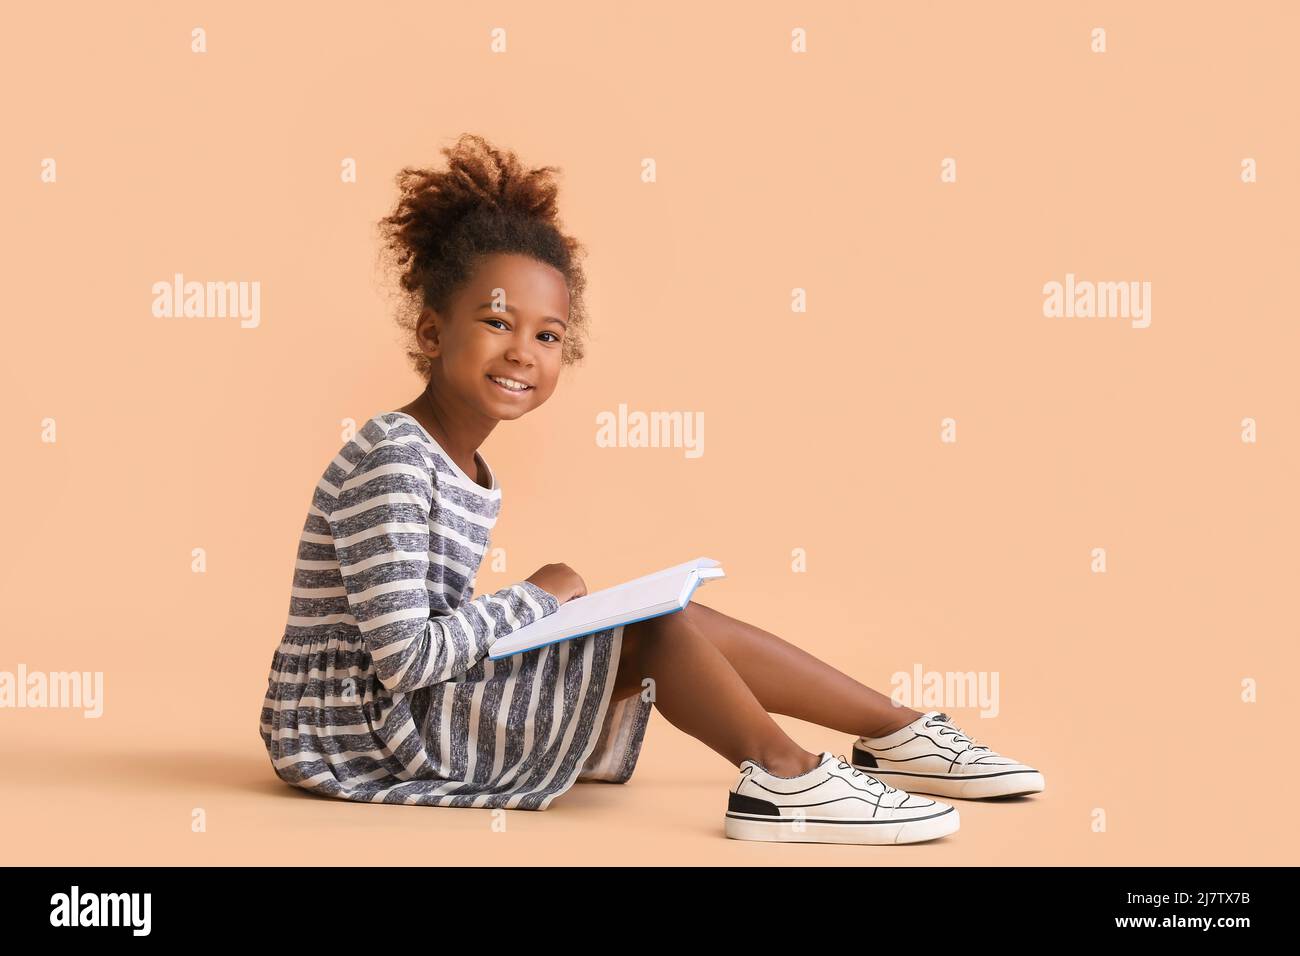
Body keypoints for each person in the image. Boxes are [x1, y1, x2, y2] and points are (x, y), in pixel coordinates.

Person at [258, 133, 1044, 844]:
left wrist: (536, 610)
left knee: (673, 613)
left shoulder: (459, 461)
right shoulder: (393, 458)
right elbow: (405, 659)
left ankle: (897, 735)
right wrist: (536, 596)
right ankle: (785, 779)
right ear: (433, 332)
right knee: (655, 635)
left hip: (398, 708)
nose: (523, 351)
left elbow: (419, 635)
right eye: (498, 322)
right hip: (353, 733)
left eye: (548, 335)